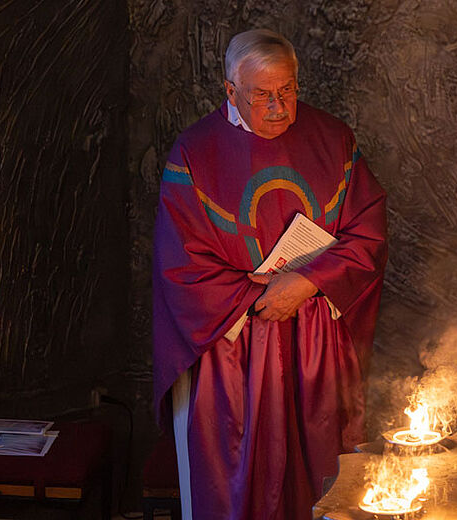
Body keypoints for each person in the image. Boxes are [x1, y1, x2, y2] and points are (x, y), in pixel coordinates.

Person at [151, 29, 387, 520]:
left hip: (315, 343)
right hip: (231, 351)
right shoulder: (195, 152)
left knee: (318, 477)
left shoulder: (334, 140)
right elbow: (181, 265)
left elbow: (368, 234)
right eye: (263, 96)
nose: (279, 108)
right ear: (230, 90)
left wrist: (306, 282)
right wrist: (256, 298)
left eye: (289, 91)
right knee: (235, 485)